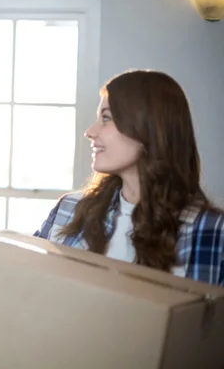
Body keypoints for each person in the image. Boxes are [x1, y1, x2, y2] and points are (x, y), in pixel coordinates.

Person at [34, 69, 223, 286]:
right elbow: (30, 289)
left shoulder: (213, 231)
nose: (90, 131)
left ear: (148, 128)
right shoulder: (67, 210)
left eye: (106, 118)